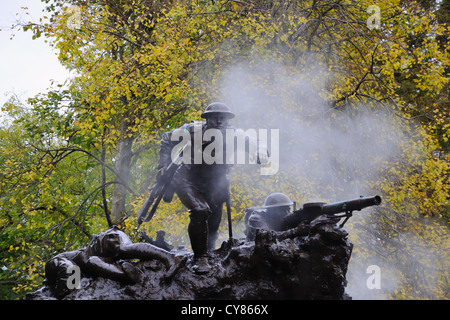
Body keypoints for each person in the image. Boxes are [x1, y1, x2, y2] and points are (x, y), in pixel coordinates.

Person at [156, 102, 267, 273]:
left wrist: (261, 151)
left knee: (213, 221)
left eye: (224, 118)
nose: (220, 121)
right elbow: (166, 138)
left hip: (215, 183)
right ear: (207, 118)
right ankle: (201, 258)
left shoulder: (234, 134)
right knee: (200, 211)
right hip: (187, 179)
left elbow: (255, 142)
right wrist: (163, 166)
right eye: (215, 117)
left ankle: (208, 252)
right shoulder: (192, 130)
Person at [44, 226, 183, 298]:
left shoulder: (67, 261)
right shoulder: (79, 263)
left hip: (108, 238)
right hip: (109, 252)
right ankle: (125, 275)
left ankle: (170, 258)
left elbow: (69, 274)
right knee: (122, 251)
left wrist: (60, 294)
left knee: (123, 249)